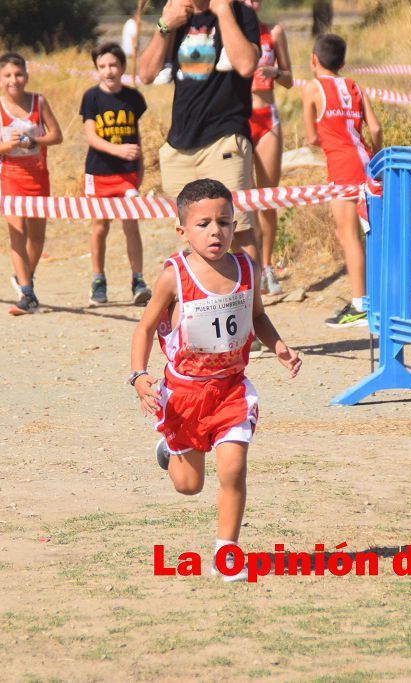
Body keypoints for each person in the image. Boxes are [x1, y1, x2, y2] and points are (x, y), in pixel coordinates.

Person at [129, 178, 301, 581]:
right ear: (182, 230)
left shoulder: (246, 267)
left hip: (230, 390)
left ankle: (227, 553)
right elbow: (143, 328)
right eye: (203, 223)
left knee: (233, 469)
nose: (215, 232)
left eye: (224, 222)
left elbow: (256, 316)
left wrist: (278, 347)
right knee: (189, 486)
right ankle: (167, 451)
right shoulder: (174, 276)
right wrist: (139, 376)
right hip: (185, 393)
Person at [138, 0, 262, 263]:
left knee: (237, 230)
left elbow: (247, 65)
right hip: (179, 146)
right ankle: (207, 301)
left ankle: (252, 303)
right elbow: (146, 74)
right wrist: (164, 26)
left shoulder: (240, 12)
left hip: (225, 138)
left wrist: (224, 11)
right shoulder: (176, 16)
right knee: (194, 234)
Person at [302, 33, 383, 328]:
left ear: (314, 60)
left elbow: (311, 136)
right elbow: (374, 127)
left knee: (348, 236)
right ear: (343, 62)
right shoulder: (354, 85)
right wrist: (379, 155)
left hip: (341, 167)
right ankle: (377, 299)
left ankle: (361, 304)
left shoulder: (312, 88)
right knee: (371, 232)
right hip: (367, 161)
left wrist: (329, 140)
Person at [0, 52, 63, 315]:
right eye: (7, 76)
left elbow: (56, 135)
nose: (13, 80)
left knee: (37, 237)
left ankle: (24, 277)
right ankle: (28, 293)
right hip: (10, 175)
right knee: (17, 231)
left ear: (26, 76)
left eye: (18, 74)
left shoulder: (39, 102)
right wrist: (10, 145)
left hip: (38, 175)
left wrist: (35, 141)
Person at [81, 43, 153, 307]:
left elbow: (136, 137)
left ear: (122, 67)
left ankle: (138, 280)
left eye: (113, 65)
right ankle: (98, 280)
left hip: (127, 174)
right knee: (100, 226)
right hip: (99, 173)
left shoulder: (134, 98)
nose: (108, 71)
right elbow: (90, 136)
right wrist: (117, 150)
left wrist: (140, 167)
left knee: (131, 225)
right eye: (102, 66)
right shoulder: (91, 97)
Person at [242, 0, 292, 294]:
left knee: (267, 197)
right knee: (243, 198)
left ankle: (268, 266)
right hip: (239, 118)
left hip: (268, 117)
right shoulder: (230, 30)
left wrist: (275, 74)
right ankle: (248, 266)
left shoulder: (274, 32)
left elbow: (290, 80)